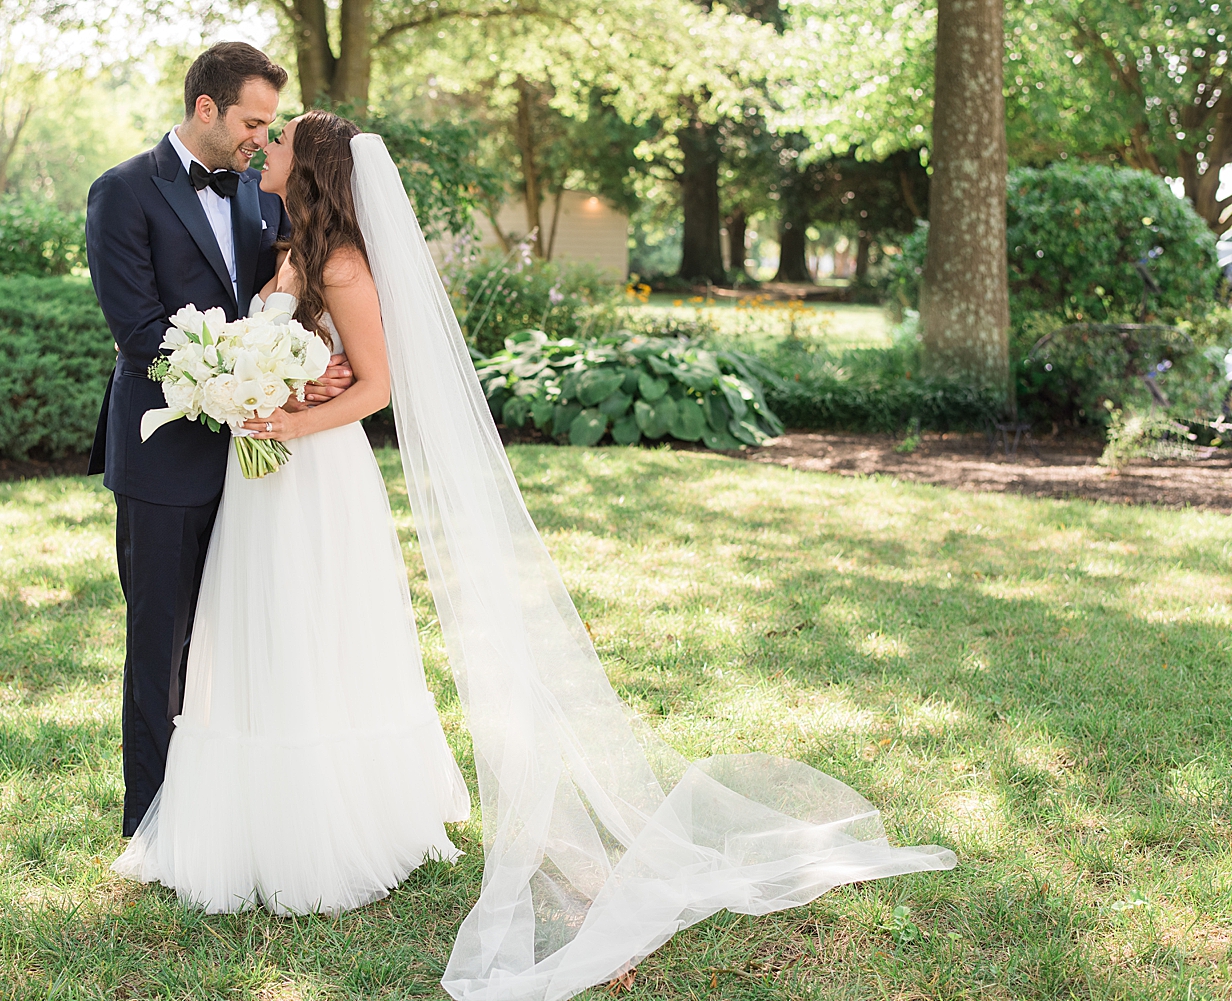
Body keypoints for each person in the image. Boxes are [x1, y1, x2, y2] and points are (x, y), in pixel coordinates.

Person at [113, 108, 958, 1001]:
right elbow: (276, 352)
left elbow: (379, 386)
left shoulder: (345, 264)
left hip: (316, 477)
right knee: (253, 633)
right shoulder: (282, 248)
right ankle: (242, 815)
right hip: (262, 482)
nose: (266, 149)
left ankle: (330, 822)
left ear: (312, 166)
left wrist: (289, 415)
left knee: (318, 631)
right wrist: (250, 387)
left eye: (280, 142)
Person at [83, 43, 354, 838]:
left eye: (270, 125)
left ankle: (228, 815)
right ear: (206, 108)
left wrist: (302, 373)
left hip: (257, 461)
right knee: (160, 645)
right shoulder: (123, 192)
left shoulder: (261, 196)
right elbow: (142, 335)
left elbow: (285, 303)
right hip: (165, 454)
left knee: (238, 639)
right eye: (252, 121)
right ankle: (153, 824)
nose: (261, 140)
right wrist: (261, 375)